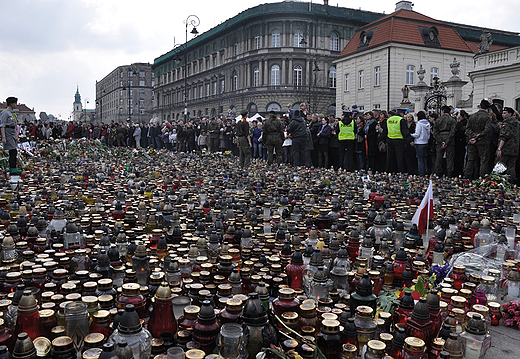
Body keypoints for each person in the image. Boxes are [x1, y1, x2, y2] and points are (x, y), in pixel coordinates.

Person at [464, 99, 493, 179]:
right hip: (483, 141)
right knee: (484, 160)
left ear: (480, 106)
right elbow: (487, 129)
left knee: (470, 160)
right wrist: (478, 137)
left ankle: (467, 177)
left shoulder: (472, 116)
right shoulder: (488, 117)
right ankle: (482, 178)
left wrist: (474, 136)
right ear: (487, 108)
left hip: (472, 141)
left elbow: (468, 129)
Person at [496, 107, 519, 183]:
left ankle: (497, 182)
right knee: (511, 167)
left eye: (505, 113)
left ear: (510, 114)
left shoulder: (506, 124)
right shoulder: (517, 124)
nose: (503, 115)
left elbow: (503, 137)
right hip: (515, 149)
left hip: (506, 149)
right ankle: (511, 182)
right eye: (502, 113)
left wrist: (499, 148)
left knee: (499, 166)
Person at [433, 105, 456, 177]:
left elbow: (435, 132)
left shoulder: (438, 120)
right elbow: (453, 132)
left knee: (439, 158)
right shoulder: (452, 120)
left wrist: (440, 141)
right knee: (450, 158)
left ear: (442, 111)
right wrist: (447, 141)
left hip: (440, 139)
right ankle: (450, 174)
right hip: (450, 140)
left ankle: (438, 173)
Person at [0, 97, 20, 179]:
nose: (16, 104)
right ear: (11, 103)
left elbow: (14, 126)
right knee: (12, 151)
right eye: (15, 103)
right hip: (8, 133)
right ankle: (12, 169)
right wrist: (3, 137)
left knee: (14, 152)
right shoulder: (5, 113)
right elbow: (2, 125)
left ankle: (13, 168)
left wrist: (17, 136)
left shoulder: (12, 113)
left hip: (12, 133)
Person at [411, 111, 431, 176]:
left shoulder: (419, 123)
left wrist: (410, 135)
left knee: (420, 159)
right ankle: (426, 172)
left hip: (419, 143)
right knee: (425, 159)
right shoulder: (427, 123)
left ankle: (421, 173)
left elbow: (417, 134)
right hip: (426, 142)